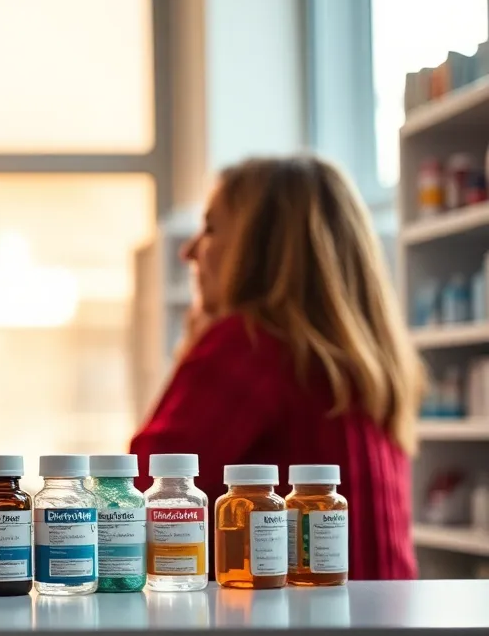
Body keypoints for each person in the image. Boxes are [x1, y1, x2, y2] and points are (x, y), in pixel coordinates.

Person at [130, 155, 421, 580]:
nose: (188, 251)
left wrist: (194, 349)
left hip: (297, 633)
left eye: (210, 229)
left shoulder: (248, 344)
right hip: (388, 623)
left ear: (259, 251)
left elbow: (137, 496)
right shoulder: (368, 361)